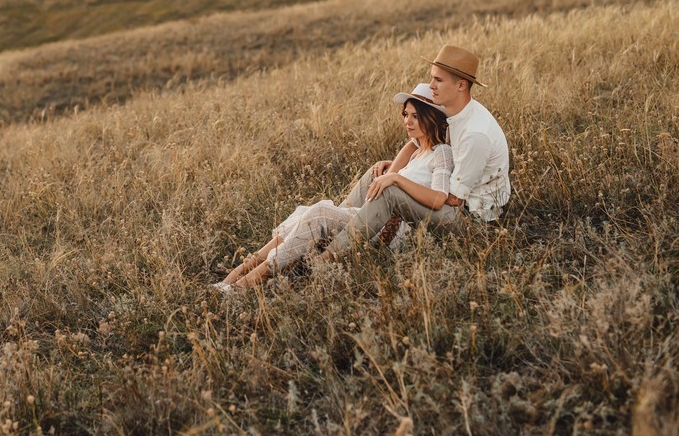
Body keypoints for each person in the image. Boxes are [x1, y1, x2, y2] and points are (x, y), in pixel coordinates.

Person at [213, 83, 453, 291]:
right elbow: (385, 178)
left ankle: (247, 283)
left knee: (318, 213)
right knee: (303, 215)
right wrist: (400, 159)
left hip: (393, 230)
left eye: (415, 116)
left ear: (431, 118)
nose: (406, 121)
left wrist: (398, 179)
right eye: (405, 114)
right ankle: (234, 277)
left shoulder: (441, 152)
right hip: (372, 217)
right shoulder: (415, 150)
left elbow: (439, 197)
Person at [325, 44, 510, 257]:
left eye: (438, 80)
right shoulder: (451, 111)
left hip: (469, 219)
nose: (431, 86)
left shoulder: (475, 134)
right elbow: (415, 144)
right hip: (447, 192)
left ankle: (325, 259)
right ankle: (332, 224)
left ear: (461, 85)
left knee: (390, 191)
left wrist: (399, 179)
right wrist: (393, 171)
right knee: (378, 175)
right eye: (432, 78)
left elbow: (452, 199)